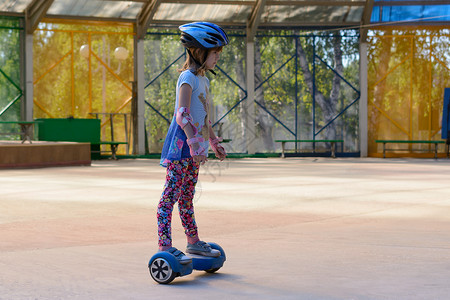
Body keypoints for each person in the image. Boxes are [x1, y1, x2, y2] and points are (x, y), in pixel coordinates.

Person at [157, 22, 228, 264]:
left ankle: (192, 241)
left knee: (187, 197)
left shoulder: (204, 80)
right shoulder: (187, 77)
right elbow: (182, 114)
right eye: (215, 51)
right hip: (181, 148)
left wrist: (213, 141)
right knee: (169, 199)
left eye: (219, 52)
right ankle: (165, 245)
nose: (218, 56)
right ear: (199, 51)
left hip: (194, 148)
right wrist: (195, 143)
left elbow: (203, 117)